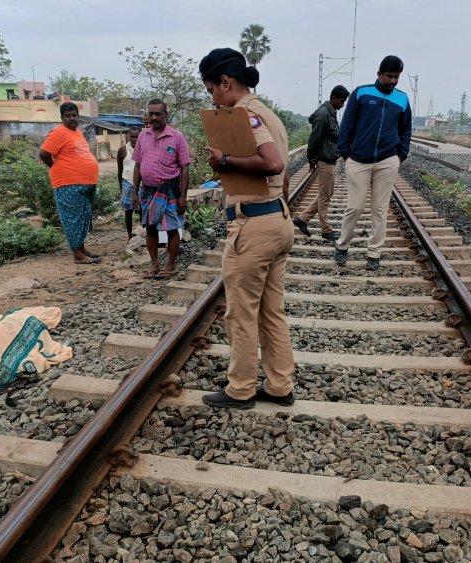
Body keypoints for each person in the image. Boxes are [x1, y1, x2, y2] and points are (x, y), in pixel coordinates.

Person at [198, 47, 294, 410]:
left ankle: (240, 388)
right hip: (277, 221)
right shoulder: (268, 112)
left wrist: (224, 159)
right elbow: (282, 176)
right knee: (272, 311)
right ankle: (280, 384)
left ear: (225, 82)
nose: (213, 98)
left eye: (212, 90)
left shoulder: (244, 115)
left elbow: (272, 163)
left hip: (253, 226)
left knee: (240, 312)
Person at [334, 55, 412, 271]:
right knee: (355, 207)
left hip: (387, 160)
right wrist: (345, 154)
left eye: (396, 77)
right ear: (379, 74)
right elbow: (347, 125)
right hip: (358, 160)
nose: (393, 81)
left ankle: (374, 252)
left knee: (380, 209)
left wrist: (400, 155)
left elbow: (406, 130)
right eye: (389, 76)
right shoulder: (362, 93)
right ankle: (342, 246)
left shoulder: (402, 99)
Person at [132, 100, 191, 278]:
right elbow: (137, 166)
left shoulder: (177, 137)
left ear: (166, 114)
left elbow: (185, 169)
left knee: (172, 228)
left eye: (158, 114)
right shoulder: (143, 136)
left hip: (170, 190)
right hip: (148, 191)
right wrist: (135, 192)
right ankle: (154, 265)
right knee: (150, 228)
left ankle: (171, 265)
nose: (154, 117)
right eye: (151, 114)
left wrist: (183, 197)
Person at [39, 102, 101, 264]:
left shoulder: (77, 132)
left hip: (86, 182)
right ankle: (77, 255)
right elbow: (44, 153)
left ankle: (81, 248)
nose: (72, 118)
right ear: (62, 118)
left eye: (74, 115)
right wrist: (55, 167)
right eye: (68, 116)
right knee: (72, 218)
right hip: (68, 183)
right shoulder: (58, 132)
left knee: (83, 216)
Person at [293, 85, 350, 241]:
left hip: (330, 159)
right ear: (333, 98)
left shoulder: (331, 113)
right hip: (324, 160)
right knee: (325, 196)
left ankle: (302, 219)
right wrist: (311, 161)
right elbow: (314, 141)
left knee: (328, 193)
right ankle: (326, 229)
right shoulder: (324, 114)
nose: (342, 104)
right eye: (341, 101)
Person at [117, 125, 142, 240]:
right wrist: (121, 187)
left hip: (142, 185)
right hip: (127, 183)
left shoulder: (144, 148)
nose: (134, 139)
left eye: (137, 137)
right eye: (132, 137)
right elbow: (120, 169)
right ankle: (129, 234)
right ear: (128, 136)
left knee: (142, 210)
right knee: (128, 211)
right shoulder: (122, 149)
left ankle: (143, 233)